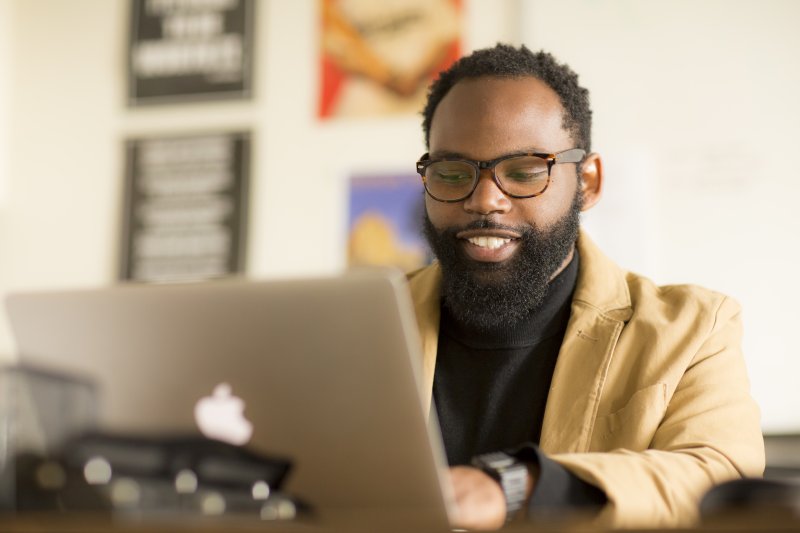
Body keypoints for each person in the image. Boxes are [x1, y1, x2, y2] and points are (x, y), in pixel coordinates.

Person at [409, 44, 764, 530]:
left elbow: (718, 479)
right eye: (452, 173)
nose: (484, 199)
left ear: (588, 182)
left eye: (524, 171)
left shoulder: (695, 328)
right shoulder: (355, 324)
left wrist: (518, 486)